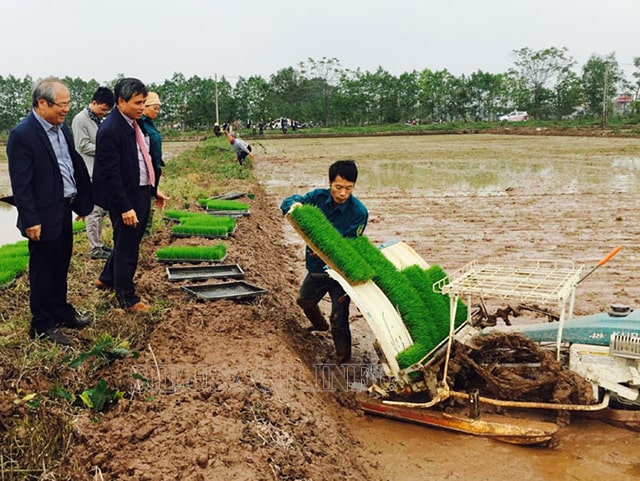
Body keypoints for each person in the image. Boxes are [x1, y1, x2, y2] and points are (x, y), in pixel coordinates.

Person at [7, 77, 94, 345]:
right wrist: (31, 219)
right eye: (62, 105)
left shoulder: (61, 128)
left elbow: (70, 165)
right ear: (42, 103)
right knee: (43, 271)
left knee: (60, 265)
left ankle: (61, 311)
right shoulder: (23, 134)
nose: (66, 109)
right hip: (42, 216)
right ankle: (43, 324)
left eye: (69, 104)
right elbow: (21, 183)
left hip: (63, 209)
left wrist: (80, 201)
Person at [280, 160, 368, 364]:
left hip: (340, 274)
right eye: (338, 187)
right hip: (317, 269)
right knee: (304, 300)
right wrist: (294, 206)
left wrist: (325, 251)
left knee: (339, 317)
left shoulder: (359, 213)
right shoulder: (316, 198)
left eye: (349, 188)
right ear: (330, 183)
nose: (343, 193)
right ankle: (319, 325)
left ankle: (343, 356)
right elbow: (291, 201)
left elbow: (348, 246)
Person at [92, 78, 168, 313]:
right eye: (137, 102)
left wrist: (153, 188)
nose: (141, 107)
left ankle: (106, 277)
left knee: (129, 240)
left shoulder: (133, 123)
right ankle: (126, 297)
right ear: (121, 101)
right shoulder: (111, 129)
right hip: (126, 195)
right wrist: (125, 207)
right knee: (127, 246)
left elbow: (142, 160)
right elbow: (110, 174)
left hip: (141, 190)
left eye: (144, 102)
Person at [71, 86, 115, 259]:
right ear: (94, 103)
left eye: (107, 111)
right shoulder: (80, 119)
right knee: (93, 212)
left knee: (100, 211)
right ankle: (94, 249)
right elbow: (82, 146)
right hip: (88, 172)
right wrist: (106, 149)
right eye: (103, 109)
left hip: (99, 171)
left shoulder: (97, 119)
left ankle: (98, 245)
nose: (104, 113)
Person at [139, 91, 165, 235]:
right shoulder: (140, 124)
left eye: (158, 108)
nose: (157, 111)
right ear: (146, 107)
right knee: (143, 206)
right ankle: (142, 237)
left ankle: (146, 236)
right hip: (145, 172)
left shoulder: (150, 124)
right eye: (154, 108)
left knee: (148, 204)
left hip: (154, 169)